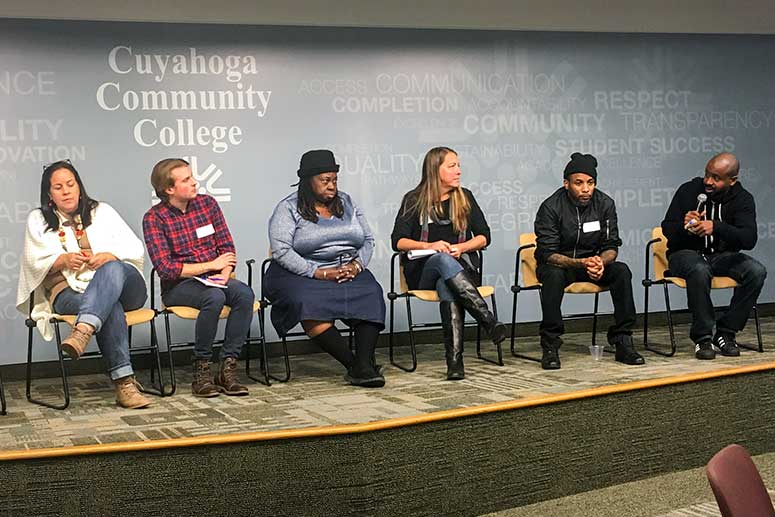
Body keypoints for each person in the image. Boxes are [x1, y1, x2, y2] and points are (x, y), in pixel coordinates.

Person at [16, 160, 151, 409]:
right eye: (58, 187)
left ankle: (83, 330)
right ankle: (124, 383)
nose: (66, 191)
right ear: (49, 194)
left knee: (112, 267)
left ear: (79, 187)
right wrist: (63, 259)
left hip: (126, 287)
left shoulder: (103, 211)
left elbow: (134, 249)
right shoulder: (38, 219)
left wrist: (109, 256)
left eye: (70, 184)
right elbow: (33, 263)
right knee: (108, 306)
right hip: (68, 293)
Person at [263, 149, 386, 388]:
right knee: (307, 301)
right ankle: (357, 365)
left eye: (334, 180)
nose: (332, 186)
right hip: (299, 272)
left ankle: (362, 364)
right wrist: (316, 272)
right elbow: (281, 251)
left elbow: (368, 240)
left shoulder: (348, 202)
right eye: (325, 180)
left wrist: (357, 265)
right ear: (308, 182)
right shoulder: (287, 208)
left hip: (346, 268)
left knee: (371, 293)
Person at [391, 146, 506, 381]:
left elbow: (485, 236)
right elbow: (398, 241)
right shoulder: (413, 200)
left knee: (447, 285)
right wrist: (431, 246)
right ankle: (487, 320)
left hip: (461, 272)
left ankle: (455, 363)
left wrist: (461, 248)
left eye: (459, 165)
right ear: (435, 170)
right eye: (452, 166)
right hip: (423, 273)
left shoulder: (465, 197)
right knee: (442, 260)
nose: (459, 171)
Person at [143, 158, 254, 397]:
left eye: (192, 177)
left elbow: (227, 247)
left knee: (244, 294)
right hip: (179, 287)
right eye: (187, 180)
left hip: (215, 279)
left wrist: (224, 274)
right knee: (213, 297)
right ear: (169, 189)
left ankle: (227, 368)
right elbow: (166, 268)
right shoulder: (154, 218)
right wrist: (211, 265)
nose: (195, 182)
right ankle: (201, 370)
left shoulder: (208, 205)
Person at [534, 152, 644, 370]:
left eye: (590, 183)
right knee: (552, 276)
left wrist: (601, 262)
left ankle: (623, 339)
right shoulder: (551, 207)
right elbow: (547, 253)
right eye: (579, 183)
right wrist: (581, 263)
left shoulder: (605, 204)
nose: (585, 189)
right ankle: (550, 344)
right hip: (561, 265)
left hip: (593, 264)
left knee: (622, 271)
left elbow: (611, 246)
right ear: (566, 184)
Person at [661, 152, 766, 360]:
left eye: (716, 178)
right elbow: (667, 228)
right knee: (699, 269)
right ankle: (702, 338)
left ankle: (726, 333)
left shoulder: (743, 199)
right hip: (684, 254)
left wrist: (716, 227)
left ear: (732, 181)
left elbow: (748, 239)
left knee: (756, 271)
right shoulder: (689, 191)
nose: (708, 181)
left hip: (721, 256)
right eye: (707, 174)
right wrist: (685, 226)